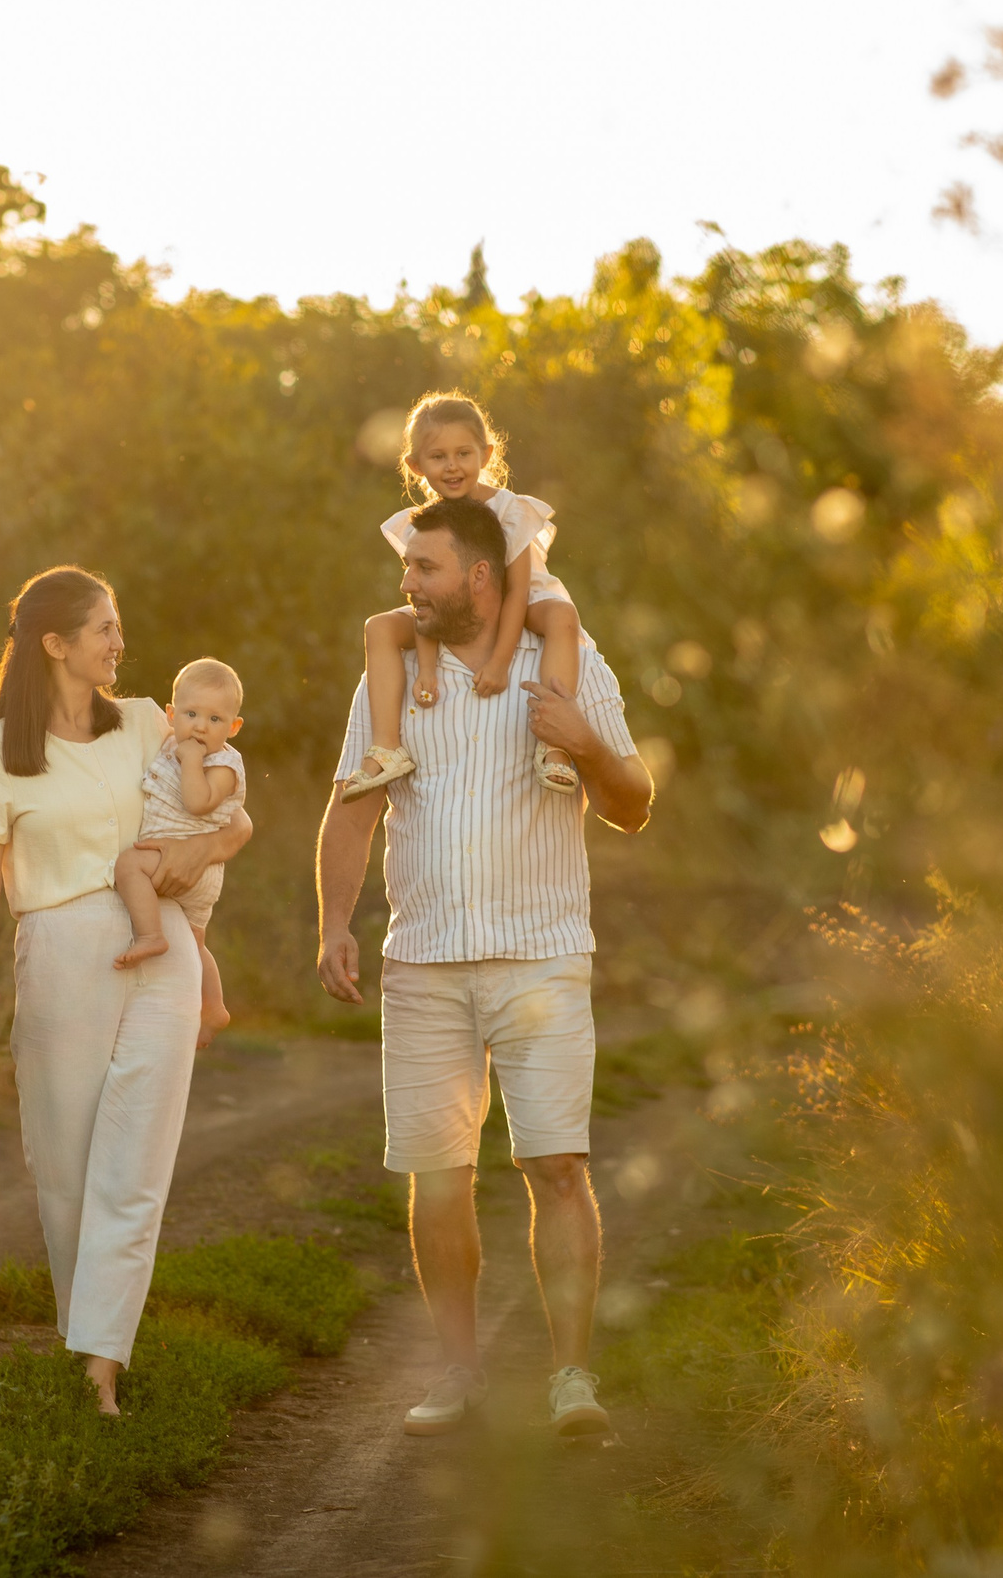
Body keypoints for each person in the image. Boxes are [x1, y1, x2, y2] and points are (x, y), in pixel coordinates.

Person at [314, 495, 652, 1439]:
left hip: (542, 956)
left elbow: (635, 802)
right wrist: (335, 922)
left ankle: (572, 1377)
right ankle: (459, 1372)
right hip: (421, 964)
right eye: (406, 568)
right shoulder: (388, 685)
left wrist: (583, 745)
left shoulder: (568, 666)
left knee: (557, 1164)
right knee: (438, 1176)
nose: (405, 584)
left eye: (423, 569)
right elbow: (352, 805)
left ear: (477, 576)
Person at [0, 567, 255, 1416]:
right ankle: (78, 1327)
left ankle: (101, 1365)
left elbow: (225, 810)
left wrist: (212, 864)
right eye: (103, 627)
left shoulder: (143, 722)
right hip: (58, 948)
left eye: (118, 625)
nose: (118, 642)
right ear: (55, 643)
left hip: (155, 939)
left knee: (136, 1163)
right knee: (64, 1165)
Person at [343, 393, 593, 803]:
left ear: (487, 453)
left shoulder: (510, 511)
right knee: (381, 626)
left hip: (522, 602)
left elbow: (515, 594)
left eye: (463, 453)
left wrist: (499, 663)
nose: (453, 466)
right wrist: (426, 669)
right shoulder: (424, 523)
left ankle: (556, 747)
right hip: (458, 610)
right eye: (438, 457)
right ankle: (388, 748)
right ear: (415, 466)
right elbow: (425, 602)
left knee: (563, 617)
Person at [111, 656, 246, 1048]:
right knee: (197, 942)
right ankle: (214, 1007)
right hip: (183, 861)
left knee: (128, 865)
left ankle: (150, 935)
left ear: (233, 727)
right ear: (171, 715)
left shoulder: (224, 764)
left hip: (196, 866)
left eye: (215, 719)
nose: (201, 726)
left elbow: (198, 802)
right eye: (191, 714)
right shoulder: (167, 742)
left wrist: (190, 761)